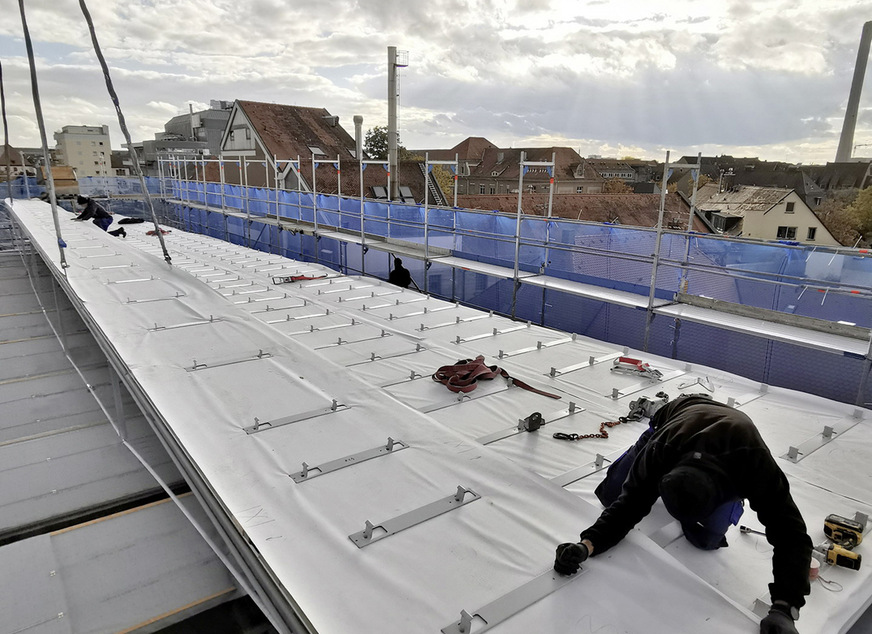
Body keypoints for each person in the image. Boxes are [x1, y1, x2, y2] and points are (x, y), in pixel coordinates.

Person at [554, 394, 812, 634]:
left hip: (733, 434)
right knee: (611, 494)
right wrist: (586, 545)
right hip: (675, 416)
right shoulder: (661, 449)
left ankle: (727, 508)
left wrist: (785, 608)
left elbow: (791, 535)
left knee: (707, 538)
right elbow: (629, 504)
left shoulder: (754, 464)